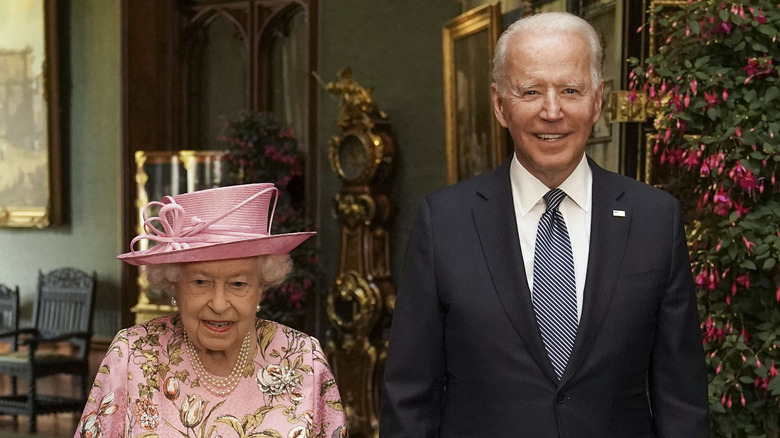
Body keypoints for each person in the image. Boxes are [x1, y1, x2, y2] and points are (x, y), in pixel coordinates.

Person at [380, 12, 709, 437]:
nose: (551, 111)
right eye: (531, 91)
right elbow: (409, 397)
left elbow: (681, 398)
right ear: (499, 104)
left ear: (597, 101)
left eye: (570, 90)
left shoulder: (655, 218)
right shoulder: (444, 222)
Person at [75, 183, 348, 438]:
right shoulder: (132, 355)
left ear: (260, 288)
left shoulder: (302, 357)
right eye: (201, 282)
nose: (219, 304)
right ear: (175, 287)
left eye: (238, 284)